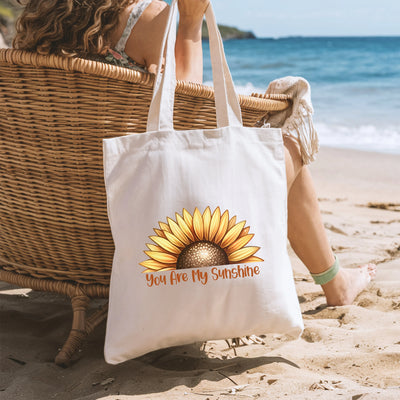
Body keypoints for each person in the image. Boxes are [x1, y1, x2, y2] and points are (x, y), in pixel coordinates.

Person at [13, 0, 376, 306]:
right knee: (284, 125)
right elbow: (188, 121)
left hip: (53, 237)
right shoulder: (145, 19)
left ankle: (337, 281)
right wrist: (188, 24)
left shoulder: (37, 26)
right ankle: (335, 283)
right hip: (151, 237)